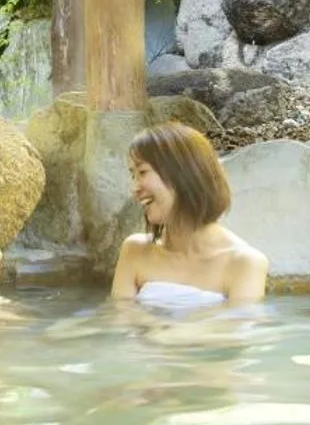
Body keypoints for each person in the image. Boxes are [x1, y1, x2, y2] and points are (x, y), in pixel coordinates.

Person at [112, 123, 268, 307]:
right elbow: (119, 326)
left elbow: (233, 332)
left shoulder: (244, 263)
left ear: (183, 174)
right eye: (133, 176)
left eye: (142, 172)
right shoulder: (135, 251)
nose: (134, 189)